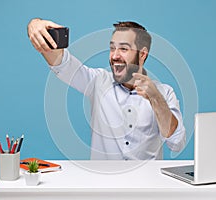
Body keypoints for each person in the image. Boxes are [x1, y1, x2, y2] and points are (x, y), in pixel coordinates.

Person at [27, 18, 186, 160]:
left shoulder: (164, 92)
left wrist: (155, 99)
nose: (115, 55)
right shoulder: (97, 81)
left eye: (124, 49)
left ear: (142, 54)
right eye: (112, 48)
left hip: (147, 188)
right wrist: (35, 25)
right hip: (102, 188)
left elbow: (176, 143)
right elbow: (63, 64)